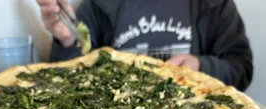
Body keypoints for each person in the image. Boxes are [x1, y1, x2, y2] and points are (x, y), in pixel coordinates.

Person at [36, 0, 253, 91]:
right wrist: (68, 42)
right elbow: (67, 82)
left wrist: (200, 67)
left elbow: (240, 68)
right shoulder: (98, 4)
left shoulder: (214, 4)